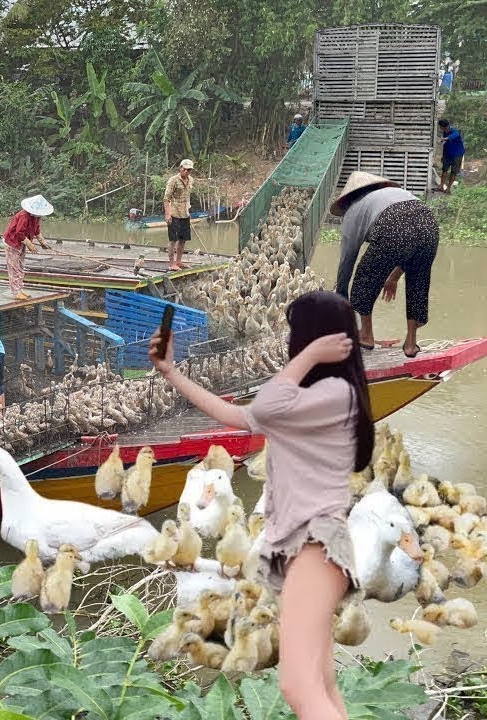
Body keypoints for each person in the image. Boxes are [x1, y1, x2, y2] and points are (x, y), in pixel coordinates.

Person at [149, 290, 372, 720]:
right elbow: (243, 416)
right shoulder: (307, 404)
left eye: (297, 334)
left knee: (297, 687)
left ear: (316, 339)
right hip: (304, 548)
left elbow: (268, 402)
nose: (292, 342)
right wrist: (171, 372)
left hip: (315, 545)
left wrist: (307, 355)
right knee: (321, 683)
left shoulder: (335, 393)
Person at [331, 171, 439, 358]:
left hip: (393, 223)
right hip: (429, 222)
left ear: (346, 201)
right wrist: (394, 276)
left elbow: (347, 261)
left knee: (364, 278)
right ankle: (411, 344)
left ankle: (366, 335)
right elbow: (411, 243)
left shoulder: (353, 211)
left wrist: (341, 294)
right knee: (418, 283)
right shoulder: (393, 194)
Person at [2, 195, 52, 300]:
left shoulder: (36, 217)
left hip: (22, 243)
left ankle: (20, 289)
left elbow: (37, 230)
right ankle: (16, 292)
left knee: (20, 267)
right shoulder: (24, 216)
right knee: (14, 268)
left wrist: (42, 242)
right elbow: (19, 233)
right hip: (13, 243)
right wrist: (30, 245)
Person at [163, 159, 194, 271]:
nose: (186, 171)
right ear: (180, 168)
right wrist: (167, 214)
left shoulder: (190, 180)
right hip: (174, 213)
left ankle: (179, 261)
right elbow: (166, 198)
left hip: (185, 214)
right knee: (173, 239)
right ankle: (171, 264)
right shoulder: (173, 181)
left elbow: (187, 197)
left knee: (183, 239)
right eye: (184, 169)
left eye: (189, 170)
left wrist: (188, 210)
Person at [438, 118, 466, 194]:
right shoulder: (444, 132)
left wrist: (444, 139)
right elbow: (445, 145)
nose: (441, 128)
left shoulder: (454, 131)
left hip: (457, 155)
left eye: (440, 127)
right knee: (444, 170)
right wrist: (443, 155)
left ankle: (448, 189)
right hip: (447, 154)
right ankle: (441, 186)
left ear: (442, 126)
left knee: (453, 172)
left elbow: (454, 136)